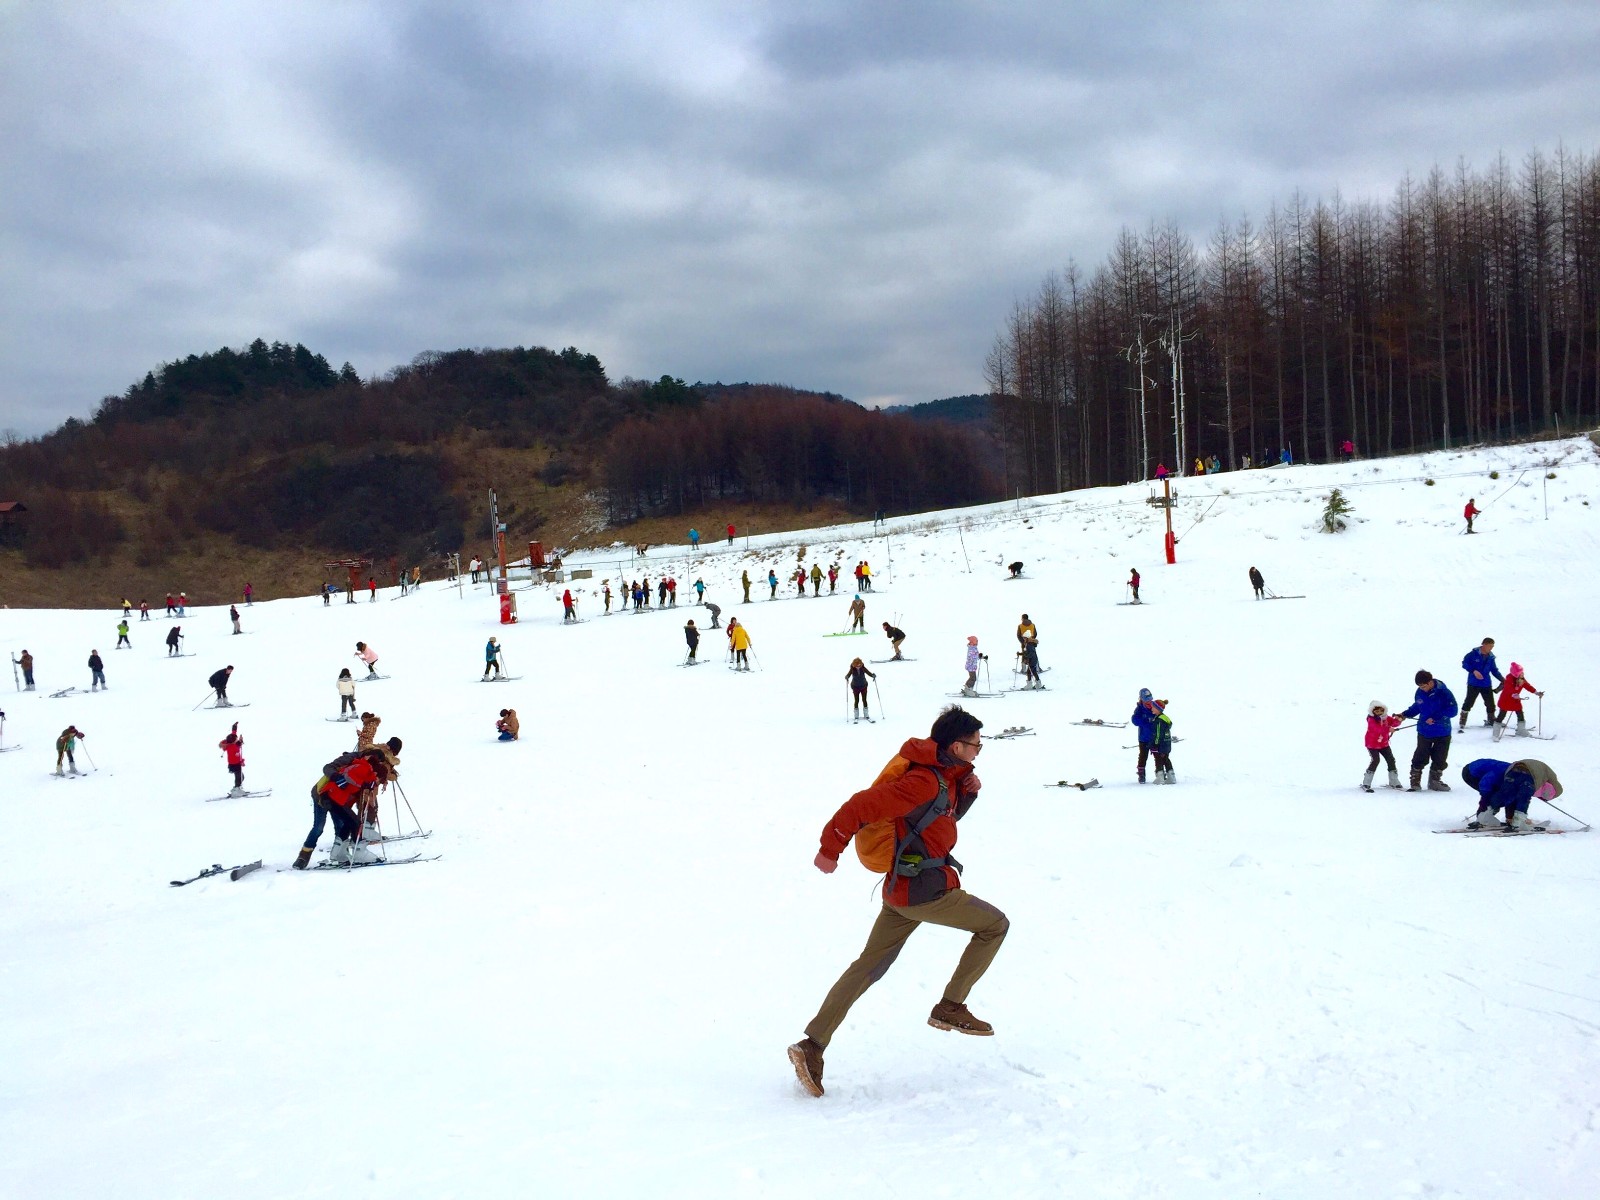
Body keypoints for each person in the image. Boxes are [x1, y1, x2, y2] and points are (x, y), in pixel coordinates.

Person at [787, 705, 1007, 1098]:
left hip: (900, 889)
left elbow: (939, 822)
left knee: (867, 966)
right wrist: (830, 848)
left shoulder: (944, 778)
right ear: (956, 746)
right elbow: (860, 805)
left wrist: (966, 791)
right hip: (926, 891)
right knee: (994, 925)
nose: (978, 751)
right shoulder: (923, 781)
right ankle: (951, 1006)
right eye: (976, 745)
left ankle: (812, 1046)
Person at [292, 749, 389, 869]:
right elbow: (328, 768)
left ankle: (339, 855)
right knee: (318, 827)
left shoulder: (365, 769)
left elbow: (358, 792)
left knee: (343, 825)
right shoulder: (352, 760)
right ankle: (303, 857)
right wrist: (336, 777)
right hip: (321, 793)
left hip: (337, 798)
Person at [1461, 758, 1562, 831]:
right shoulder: (1500, 773)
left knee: (1507, 794)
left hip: (1495, 777)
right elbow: (1485, 783)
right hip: (1470, 773)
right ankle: (1484, 816)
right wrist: (1485, 800)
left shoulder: (1512, 774)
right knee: (1493, 794)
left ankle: (1504, 817)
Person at [1399, 669, 1457, 791]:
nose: (1422, 688)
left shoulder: (1444, 692)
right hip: (1424, 731)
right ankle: (1415, 781)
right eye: (1420, 686)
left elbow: (1453, 710)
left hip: (1443, 731)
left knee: (1440, 758)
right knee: (1420, 755)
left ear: (1430, 682)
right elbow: (1418, 706)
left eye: (1424, 686)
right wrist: (1405, 714)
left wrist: (1436, 718)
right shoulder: (1419, 692)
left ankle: (1435, 781)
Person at [1131, 688, 1175, 783]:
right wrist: (1145, 721)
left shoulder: (1155, 706)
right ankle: (1141, 774)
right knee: (1143, 756)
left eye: (1150, 700)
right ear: (1141, 699)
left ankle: (1161, 774)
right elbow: (1134, 720)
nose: (1149, 703)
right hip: (1143, 737)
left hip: (1155, 738)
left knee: (1159, 756)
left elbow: (1161, 718)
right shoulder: (1139, 709)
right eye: (1146, 701)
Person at [1459, 638, 1503, 731]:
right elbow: (1464, 663)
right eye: (1490, 646)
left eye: (1492, 646)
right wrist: (1473, 671)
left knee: (1490, 703)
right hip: (1473, 683)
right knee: (1469, 702)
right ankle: (1462, 720)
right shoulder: (1472, 654)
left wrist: (1502, 679)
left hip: (1486, 683)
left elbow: (1494, 670)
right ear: (1484, 644)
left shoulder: (1491, 657)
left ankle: (1491, 719)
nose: (1491, 648)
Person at [1361, 701, 1404, 792]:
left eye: (1381, 710)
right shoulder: (1371, 719)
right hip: (1372, 744)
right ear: (1372, 711)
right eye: (1376, 711)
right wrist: (1388, 729)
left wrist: (1398, 720)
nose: (1379, 713)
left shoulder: (1386, 718)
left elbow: (1393, 723)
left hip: (1384, 744)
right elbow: (1376, 729)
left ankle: (1394, 781)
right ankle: (1366, 782)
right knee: (1376, 760)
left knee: (1391, 759)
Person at [1493, 663, 1542, 739]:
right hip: (1506, 700)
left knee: (1520, 713)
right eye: (1520, 673)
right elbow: (1509, 689)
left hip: (1515, 701)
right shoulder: (1509, 679)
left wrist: (1536, 692)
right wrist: (1514, 693)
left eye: (1522, 672)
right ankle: (1495, 733)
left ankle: (1521, 730)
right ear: (1515, 674)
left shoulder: (1522, 679)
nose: (1522, 674)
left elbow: (1527, 686)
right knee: (1501, 715)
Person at [219, 722, 246, 796]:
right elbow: (238, 745)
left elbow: (234, 735)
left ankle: (237, 788)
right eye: (236, 739)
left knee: (240, 777)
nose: (237, 739)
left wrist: (234, 726)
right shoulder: (232, 747)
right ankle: (236, 790)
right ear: (233, 741)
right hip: (235, 765)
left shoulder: (230, 744)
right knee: (240, 777)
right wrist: (240, 740)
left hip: (233, 764)